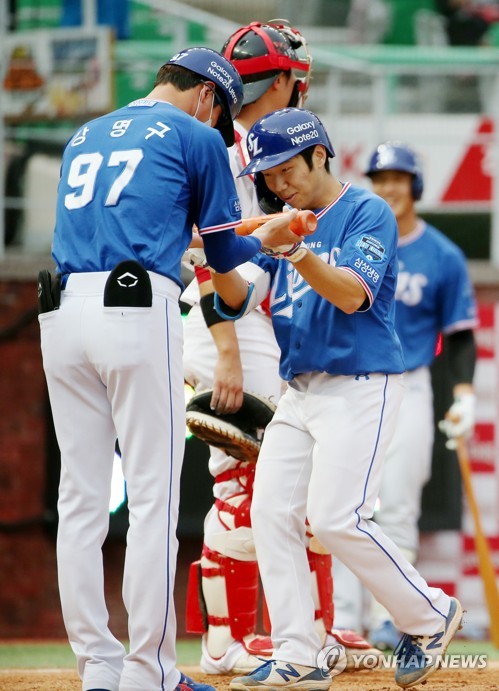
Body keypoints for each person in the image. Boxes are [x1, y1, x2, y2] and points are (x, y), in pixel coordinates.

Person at [37, 46, 302, 691]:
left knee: (81, 500)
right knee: (153, 497)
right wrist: (275, 230)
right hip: (135, 310)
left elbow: (132, 217)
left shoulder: (85, 132)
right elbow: (223, 249)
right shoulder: (194, 133)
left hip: (61, 314)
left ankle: (96, 670)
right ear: (209, 97)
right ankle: (149, 671)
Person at [209, 107, 464, 691]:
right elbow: (239, 298)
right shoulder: (281, 220)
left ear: (318, 154)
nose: (276, 184)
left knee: (334, 517)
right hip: (299, 389)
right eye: (266, 176)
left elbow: (352, 295)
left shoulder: (365, 210)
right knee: (271, 513)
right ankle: (299, 653)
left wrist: (292, 250)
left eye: (284, 169)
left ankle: (429, 615)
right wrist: (208, 258)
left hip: (360, 383)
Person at [182, 21, 378, 677]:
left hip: (244, 321)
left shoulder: (240, 143)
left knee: (296, 490)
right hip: (226, 324)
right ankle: (225, 640)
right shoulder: (232, 149)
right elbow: (216, 261)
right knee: (248, 487)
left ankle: (309, 630)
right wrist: (229, 352)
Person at [332, 141, 478, 650]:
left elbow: (459, 334)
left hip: (411, 383)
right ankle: (344, 618)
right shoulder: (357, 237)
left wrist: (463, 395)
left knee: (396, 506)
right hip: (352, 380)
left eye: (398, 178)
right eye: (381, 178)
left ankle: (393, 619)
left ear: (415, 185)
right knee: (346, 506)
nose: (390, 187)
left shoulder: (441, 253)